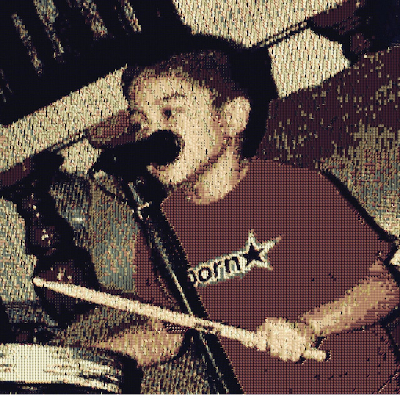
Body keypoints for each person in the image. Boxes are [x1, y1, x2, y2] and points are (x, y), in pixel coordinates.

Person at [77, 37, 400, 393]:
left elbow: (383, 289)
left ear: (232, 118)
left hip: (368, 386)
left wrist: (309, 327)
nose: (152, 134)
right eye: (141, 123)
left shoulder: (295, 190)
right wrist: (80, 360)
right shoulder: (157, 226)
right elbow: (166, 334)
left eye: (169, 112)